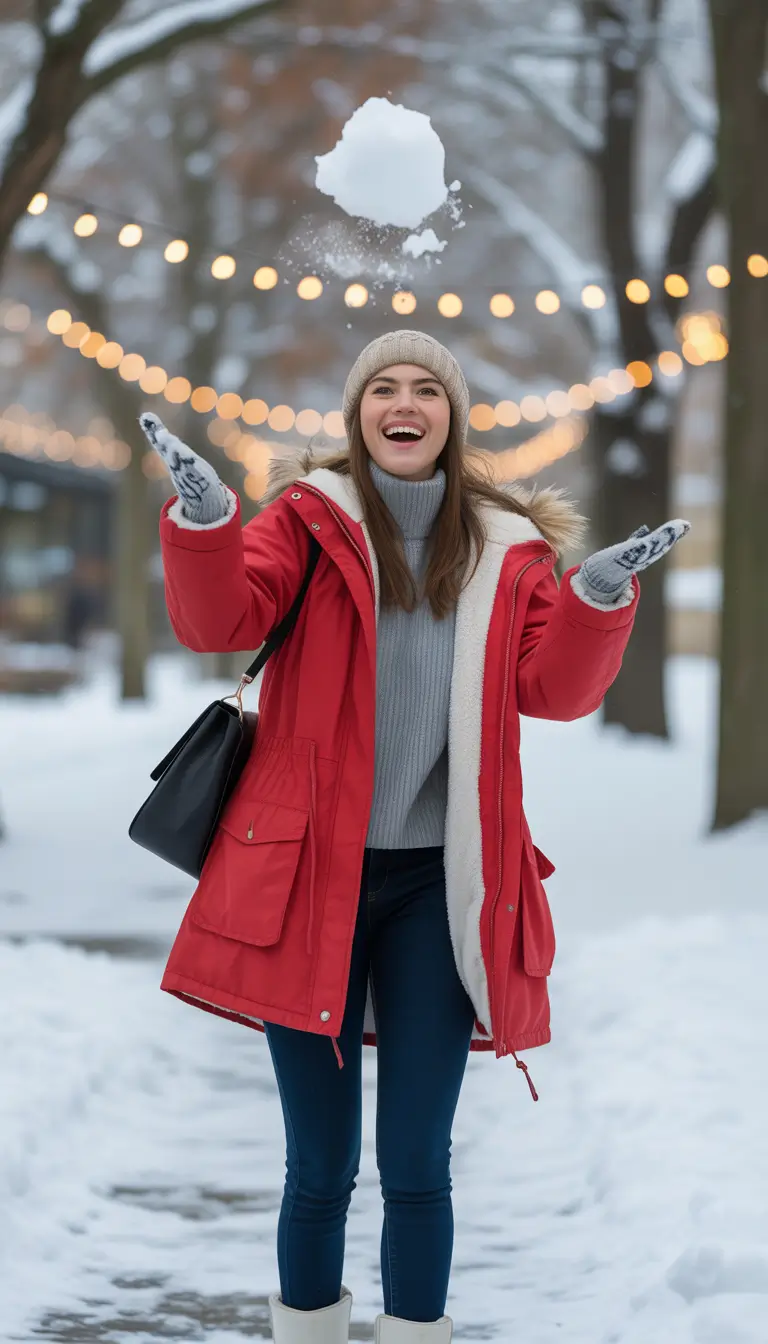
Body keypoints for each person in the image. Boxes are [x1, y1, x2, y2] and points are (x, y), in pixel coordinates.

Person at [139, 331, 689, 1344]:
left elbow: (550, 690)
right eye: (383, 387)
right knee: (320, 1166)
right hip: (307, 881)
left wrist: (593, 598)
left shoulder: (506, 549)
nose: (404, 402)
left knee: (418, 1164)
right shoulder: (306, 522)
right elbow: (221, 621)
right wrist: (208, 523)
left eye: (426, 388)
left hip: (441, 891)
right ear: (358, 415)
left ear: (452, 415)